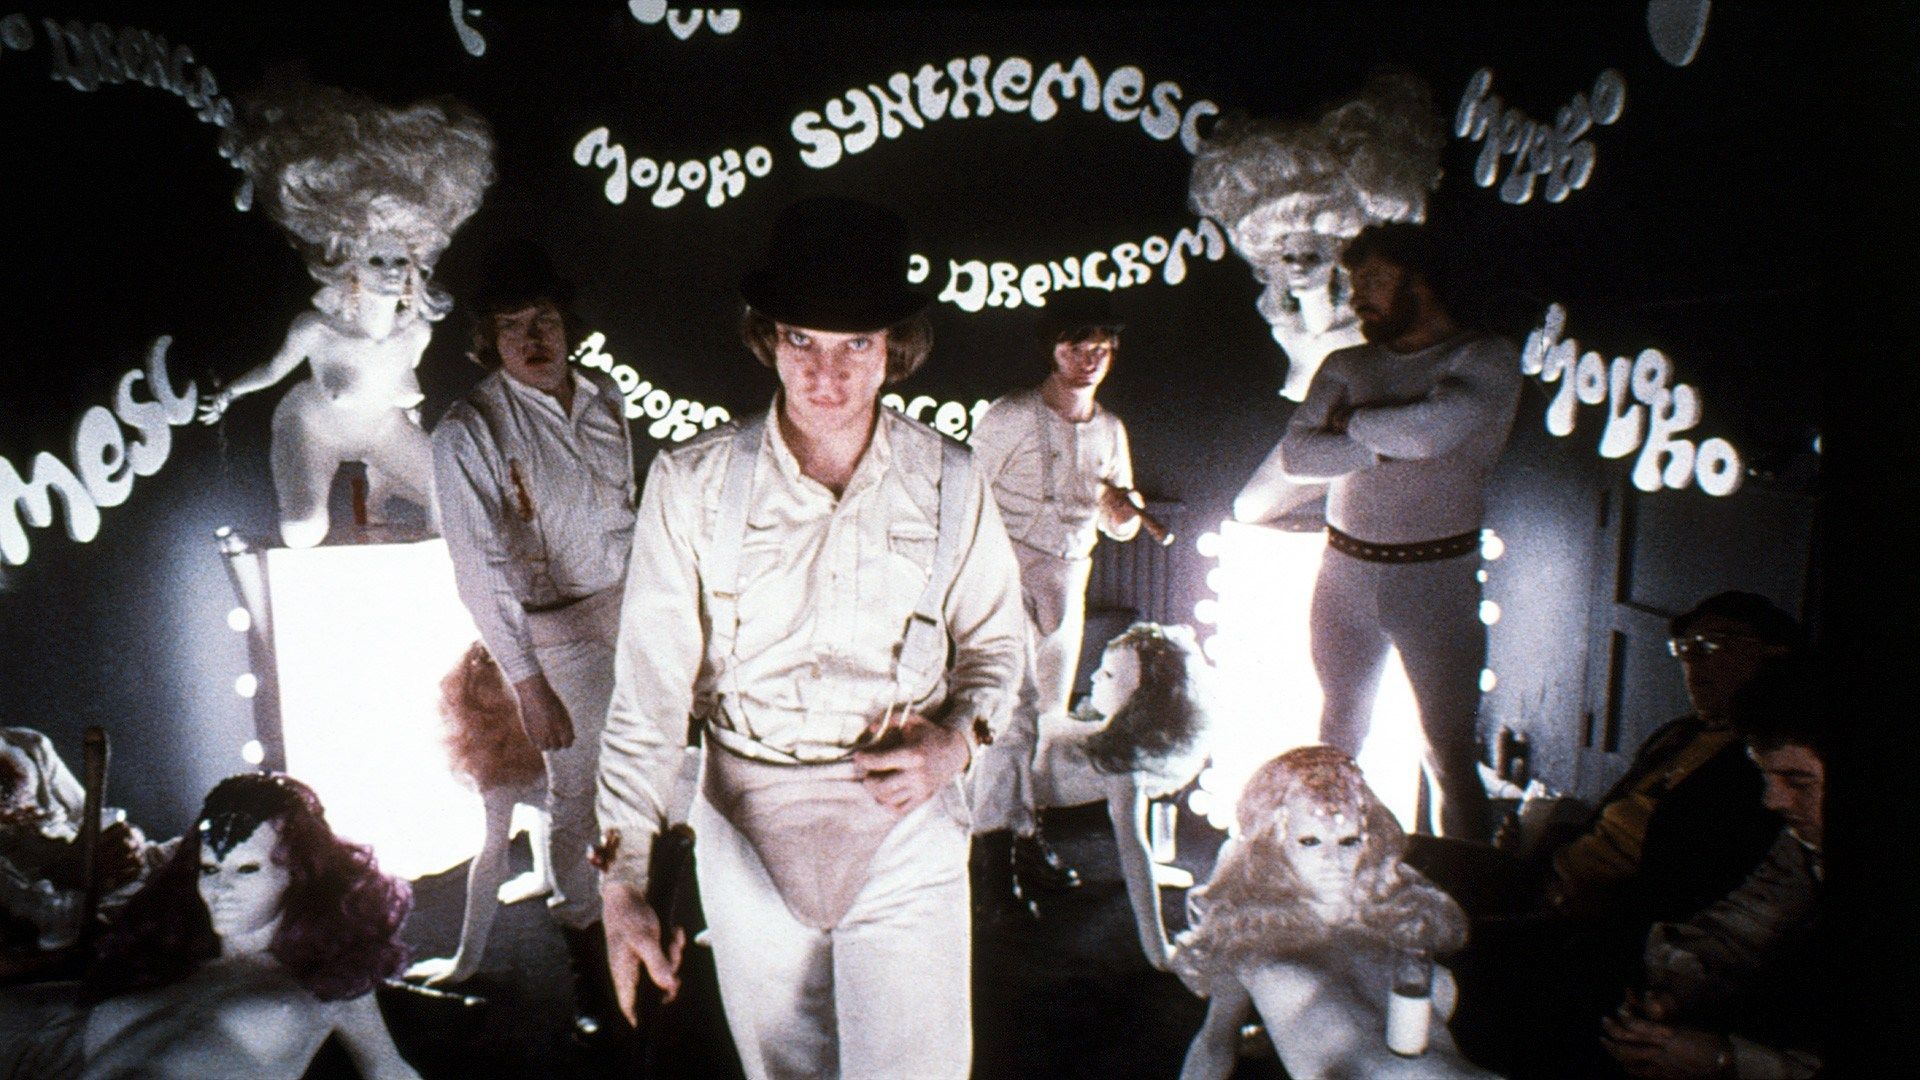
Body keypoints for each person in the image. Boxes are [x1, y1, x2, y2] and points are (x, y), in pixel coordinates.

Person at [596, 195, 1026, 1080]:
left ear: (895, 348)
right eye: (802, 340)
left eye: (856, 345)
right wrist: (624, 881)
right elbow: (647, 693)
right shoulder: (690, 483)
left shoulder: (951, 477)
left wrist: (955, 744)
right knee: (782, 1069)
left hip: (902, 821)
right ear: (769, 338)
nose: (827, 375)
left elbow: (997, 648)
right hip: (746, 815)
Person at [430, 239, 635, 1042]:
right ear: (489, 338)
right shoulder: (469, 430)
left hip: (632, 609)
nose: (532, 338)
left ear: (566, 323)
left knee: (651, 772)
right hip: (557, 634)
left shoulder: (605, 397)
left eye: (544, 319)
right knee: (577, 794)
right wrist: (527, 681)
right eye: (512, 325)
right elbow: (477, 567)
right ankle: (588, 961)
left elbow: (623, 515)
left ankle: (648, 928)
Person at [1276, 221, 1520, 842]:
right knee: (1337, 741)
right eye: (1353, 282)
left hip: (1435, 580)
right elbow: (1298, 457)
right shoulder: (1346, 362)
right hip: (1344, 575)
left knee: (1447, 754)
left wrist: (1351, 426)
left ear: (1421, 282)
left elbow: (1432, 433)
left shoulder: (1483, 355)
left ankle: (1466, 890)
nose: (1357, 296)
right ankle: (1336, 876)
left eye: (1373, 280)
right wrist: (1390, 435)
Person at [199, 80, 495, 548]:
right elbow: (274, 370)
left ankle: (390, 489)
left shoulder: (416, 331)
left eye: (400, 261)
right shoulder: (317, 329)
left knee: (452, 512)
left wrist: (405, 455)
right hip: (312, 432)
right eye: (377, 260)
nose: (391, 271)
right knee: (302, 532)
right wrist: (229, 394)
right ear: (351, 268)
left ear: (415, 267)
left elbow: (403, 392)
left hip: (382, 435)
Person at [0, 772, 419, 1078]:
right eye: (209, 869)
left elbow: (389, 1072)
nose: (221, 889)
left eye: (247, 870)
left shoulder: (332, 980)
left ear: (297, 871)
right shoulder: (155, 966)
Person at [968, 289, 1142, 910]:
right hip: (1005, 571)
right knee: (1008, 712)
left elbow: (1121, 523)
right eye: (1076, 346)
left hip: (1069, 576)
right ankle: (991, 855)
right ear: (1053, 349)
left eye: (1101, 348)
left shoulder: (1110, 429)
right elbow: (965, 496)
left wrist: (1122, 510)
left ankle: (1021, 838)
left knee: (1044, 717)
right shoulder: (1011, 415)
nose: (1089, 359)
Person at [1172, 746, 1491, 1080]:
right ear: (1272, 846)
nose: (1333, 860)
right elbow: (1214, 1046)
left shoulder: (1400, 918)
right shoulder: (1249, 936)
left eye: (1348, 841)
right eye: (1310, 841)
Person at [1601, 658, 1826, 1080]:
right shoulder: (1805, 842)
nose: (1772, 801)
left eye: (1798, 782)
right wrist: (1671, 992)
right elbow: (1744, 928)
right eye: (1766, 777)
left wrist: (1724, 1061)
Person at [1027, 623, 1214, 969]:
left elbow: (1133, 851)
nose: (1094, 677)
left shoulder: (1120, 768)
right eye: (1102, 669)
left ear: (1141, 700)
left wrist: (1158, 950)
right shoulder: (1099, 746)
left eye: (1109, 675)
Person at [403, 642, 553, 987]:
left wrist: (464, 963)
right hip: (533, 729)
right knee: (530, 795)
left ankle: (547, 876)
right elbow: (493, 858)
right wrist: (465, 962)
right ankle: (545, 876)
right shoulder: (491, 748)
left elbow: (495, 859)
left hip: (595, 789)